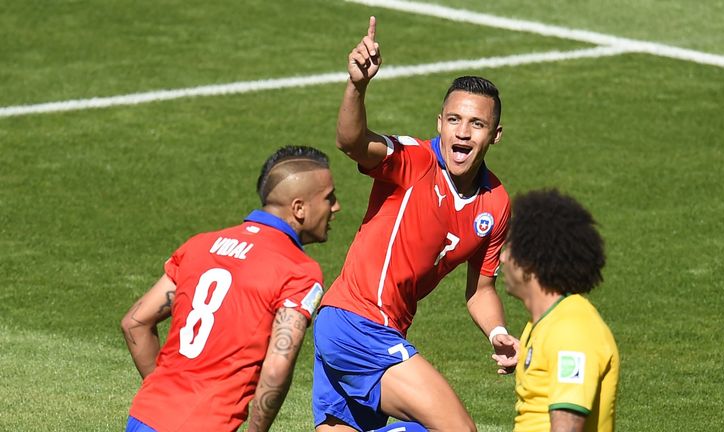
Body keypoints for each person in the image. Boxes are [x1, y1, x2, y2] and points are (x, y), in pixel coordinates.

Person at [312, 16, 519, 432]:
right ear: (439, 122)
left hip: (366, 329)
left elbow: (480, 289)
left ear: (495, 135)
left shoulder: (495, 203)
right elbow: (352, 142)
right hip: (358, 323)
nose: (463, 133)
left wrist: (497, 331)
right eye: (454, 120)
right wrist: (357, 85)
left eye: (476, 124)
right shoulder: (414, 161)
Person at [120, 146, 341, 432]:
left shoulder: (200, 246)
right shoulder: (298, 271)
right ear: (299, 208)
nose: (336, 207)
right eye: (329, 198)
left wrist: (165, 400)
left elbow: (134, 322)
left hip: (145, 418)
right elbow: (276, 368)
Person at [498, 189, 619, 432]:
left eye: (509, 248)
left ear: (529, 263)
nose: (501, 258)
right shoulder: (542, 325)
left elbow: (568, 427)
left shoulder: (572, 330)